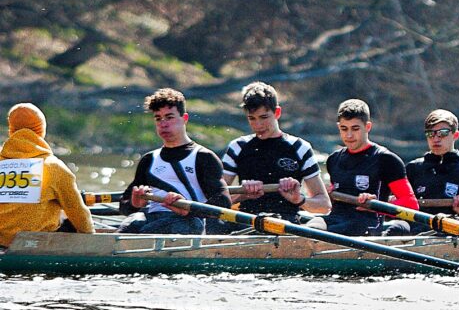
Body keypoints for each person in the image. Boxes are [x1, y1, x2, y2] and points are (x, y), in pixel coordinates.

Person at [216, 82, 330, 231]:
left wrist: (298, 199)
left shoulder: (300, 148)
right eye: (252, 118)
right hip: (246, 222)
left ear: (277, 112)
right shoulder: (237, 147)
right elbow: (216, 201)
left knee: (319, 224)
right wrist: (243, 195)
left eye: (264, 117)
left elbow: (324, 206)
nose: (258, 125)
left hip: (286, 224)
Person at [118, 88, 230, 234]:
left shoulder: (203, 157)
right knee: (131, 225)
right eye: (158, 118)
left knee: (145, 232)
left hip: (189, 222)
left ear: (184, 119)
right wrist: (134, 203)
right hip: (152, 218)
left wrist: (187, 209)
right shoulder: (149, 160)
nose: (163, 124)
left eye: (169, 117)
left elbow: (223, 203)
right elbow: (123, 205)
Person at [380, 109, 459, 236]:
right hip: (415, 231)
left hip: (451, 230)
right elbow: (387, 208)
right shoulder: (413, 168)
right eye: (431, 134)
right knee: (394, 229)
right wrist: (390, 204)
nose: (436, 139)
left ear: (455, 135)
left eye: (443, 133)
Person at [0, 103, 95, 248]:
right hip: (35, 244)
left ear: (11, 131)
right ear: (41, 131)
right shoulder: (53, 167)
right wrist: (91, 238)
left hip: (2, 242)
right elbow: (78, 213)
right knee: (70, 220)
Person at [320, 99, 419, 236]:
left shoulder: (387, 159)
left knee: (327, 234)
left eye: (355, 129)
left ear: (367, 127)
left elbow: (411, 204)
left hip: (366, 225)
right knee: (311, 227)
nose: (349, 135)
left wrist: (376, 206)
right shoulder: (334, 159)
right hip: (335, 220)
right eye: (344, 129)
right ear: (338, 127)